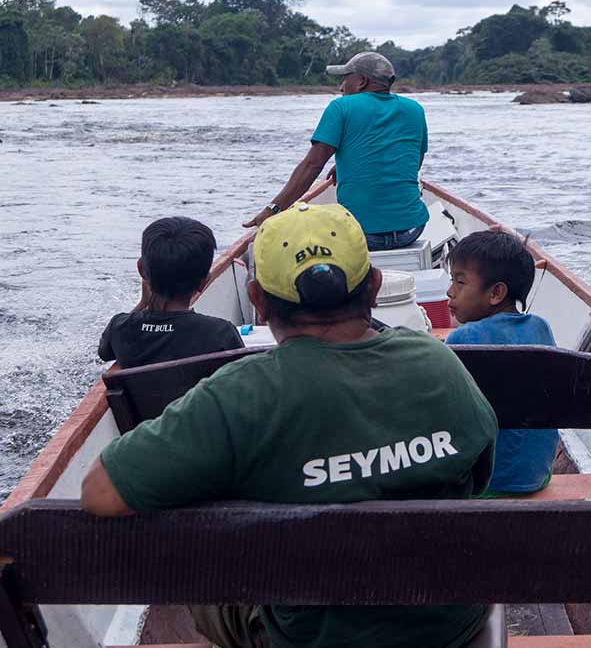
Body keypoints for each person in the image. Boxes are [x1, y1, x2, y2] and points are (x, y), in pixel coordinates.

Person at [81, 203, 498, 648]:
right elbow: (477, 477)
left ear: (257, 301)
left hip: (309, 636)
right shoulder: (439, 362)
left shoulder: (241, 393)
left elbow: (99, 494)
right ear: (374, 287)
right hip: (449, 626)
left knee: (196, 562)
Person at [244, 52, 430, 252]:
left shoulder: (341, 107)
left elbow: (312, 165)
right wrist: (348, 165)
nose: (341, 87)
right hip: (411, 230)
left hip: (361, 234)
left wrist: (273, 209)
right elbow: (412, 163)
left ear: (361, 81)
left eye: (344, 78)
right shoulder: (415, 109)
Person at [445, 230, 559, 496]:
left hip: (486, 485)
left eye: (460, 283)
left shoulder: (464, 338)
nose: (449, 292)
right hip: (538, 475)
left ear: (496, 293)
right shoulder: (541, 327)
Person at [98, 216, 243, 369]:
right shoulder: (220, 333)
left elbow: (104, 353)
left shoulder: (120, 328)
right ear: (204, 282)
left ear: (141, 270)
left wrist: (142, 304)